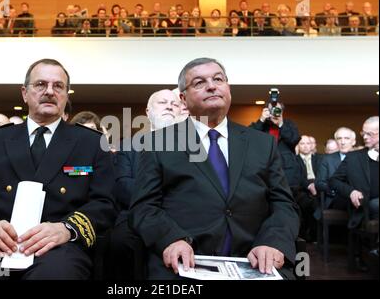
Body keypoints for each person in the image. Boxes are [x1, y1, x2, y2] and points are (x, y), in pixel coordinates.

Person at [0, 59, 116, 280]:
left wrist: (66, 229)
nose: (50, 91)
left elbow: (104, 203)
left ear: (66, 95)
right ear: (24, 93)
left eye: (58, 86)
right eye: (40, 84)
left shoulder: (91, 143)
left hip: (56, 246)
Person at [129, 58, 300, 279]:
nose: (212, 86)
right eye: (199, 82)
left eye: (218, 79)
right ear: (183, 99)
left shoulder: (262, 143)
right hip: (184, 261)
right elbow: (144, 207)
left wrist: (272, 242)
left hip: (254, 260)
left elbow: (284, 203)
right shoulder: (157, 144)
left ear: (227, 88)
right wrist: (171, 239)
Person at [108, 89, 180, 279]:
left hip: (179, 216)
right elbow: (122, 186)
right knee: (119, 241)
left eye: (174, 104)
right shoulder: (128, 146)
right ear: (148, 112)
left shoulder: (195, 147)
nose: (169, 107)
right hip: (134, 215)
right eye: (163, 103)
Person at [330, 116, 379, 228]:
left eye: (369, 134)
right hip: (364, 208)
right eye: (363, 133)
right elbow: (334, 181)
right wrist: (351, 192)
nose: (365, 137)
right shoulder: (354, 158)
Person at [249, 102, 303, 197]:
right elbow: (249, 137)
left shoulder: (288, 124)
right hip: (265, 168)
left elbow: (294, 140)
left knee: (289, 198)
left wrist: (280, 124)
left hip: (287, 170)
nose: (274, 112)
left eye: (277, 110)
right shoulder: (262, 125)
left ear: (282, 112)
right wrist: (261, 120)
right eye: (271, 110)